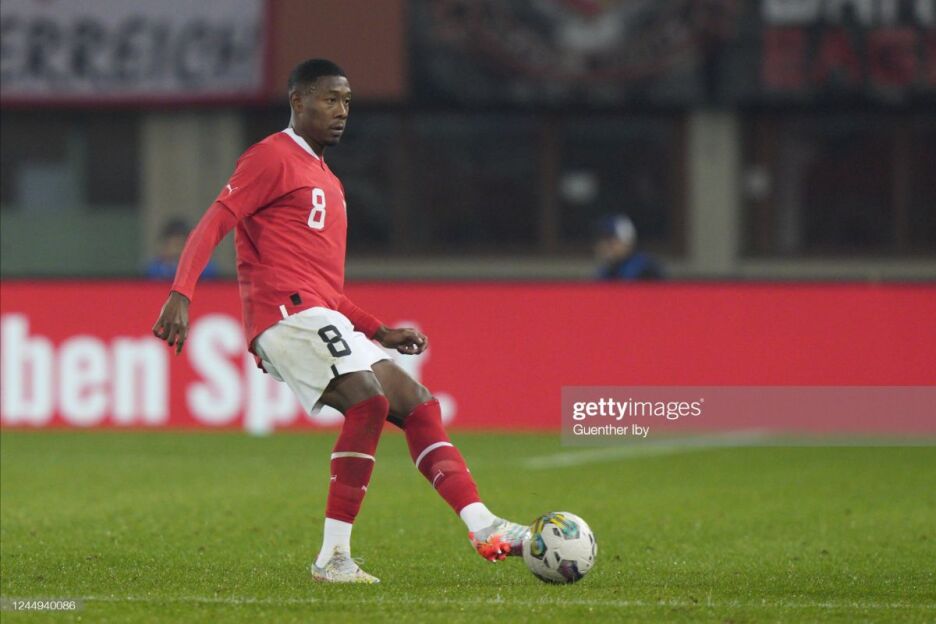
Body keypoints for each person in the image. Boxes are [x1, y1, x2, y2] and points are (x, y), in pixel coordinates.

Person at [151, 59, 529, 584]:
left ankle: (483, 524)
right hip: (285, 314)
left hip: (315, 310)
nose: (341, 111)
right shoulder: (271, 156)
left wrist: (379, 331)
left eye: (347, 101)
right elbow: (216, 220)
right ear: (298, 101)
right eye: (329, 99)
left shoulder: (327, 179)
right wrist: (181, 291)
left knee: (418, 404)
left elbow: (326, 290)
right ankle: (333, 558)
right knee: (368, 401)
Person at [593, 214, 664, 281]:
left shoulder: (645, 269)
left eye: (610, 241)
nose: (603, 246)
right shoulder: (606, 272)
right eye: (600, 240)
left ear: (626, 241)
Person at [145, 219, 219, 281]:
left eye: (182, 245)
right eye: (174, 245)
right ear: (164, 247)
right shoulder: (152, 271)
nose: (177, 251)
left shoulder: (205, 269)